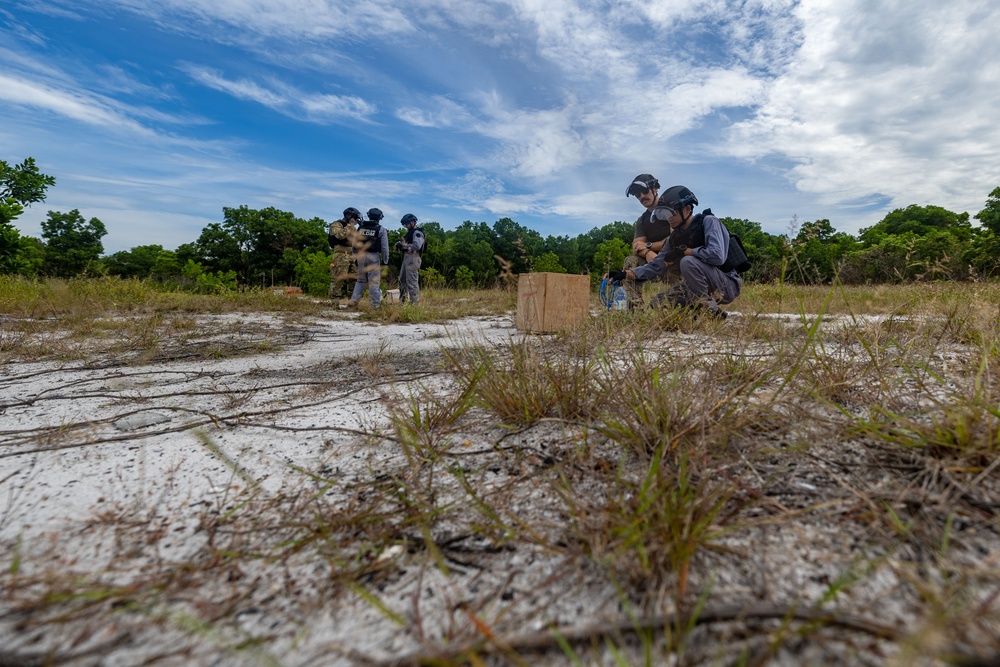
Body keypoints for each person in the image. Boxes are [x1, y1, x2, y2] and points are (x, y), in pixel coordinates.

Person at [609, 185, 741, 319]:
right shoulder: (674, 238)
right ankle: (708, 312)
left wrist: (688, 251)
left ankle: (706, 309)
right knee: (658, 302)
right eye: (665, 214)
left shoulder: (708, 222)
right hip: (695, 286)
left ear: (687, 209)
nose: (669, 218)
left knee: (687, 261)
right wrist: (625, 274)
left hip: (726, 285)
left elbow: (718, 256)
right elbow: (656, 265)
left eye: (672, 213)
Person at [622, 173, 672, 309]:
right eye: (638, 195)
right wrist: (647, 253)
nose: (642, 197)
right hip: (653, 263)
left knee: (675, 306)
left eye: (644, 191)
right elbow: (636, 247)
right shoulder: (642, 220)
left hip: (676, 261)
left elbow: (674, 240)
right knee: (631, 261)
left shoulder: (672, 208)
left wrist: (649, 246)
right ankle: (636, 309)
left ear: (655, 188)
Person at [348, 208, 389, 309]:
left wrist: (355, 258)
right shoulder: (381, 229)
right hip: (373, 256)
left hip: (361, 256)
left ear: (369, 216)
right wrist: (385, 261)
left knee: (360, 281)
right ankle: (375, 306)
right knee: (374, 282)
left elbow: (354, 245)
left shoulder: (361, 227)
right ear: (380, 218)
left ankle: (353, 304)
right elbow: (384, 248)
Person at [328, 207, 360, 300]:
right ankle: (334, 303)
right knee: (338, 279)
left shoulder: (353, 228)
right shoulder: (336, 224)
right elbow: (339, 236)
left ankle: (352, 302)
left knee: (354, 279)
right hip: (341, 254)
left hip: (352, 255)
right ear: (348, 215)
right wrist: (350, 226)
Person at [396, 213, 425, 304]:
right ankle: (403, 301)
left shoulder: (417, 233)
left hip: (413, 258)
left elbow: (417, 246)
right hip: (407, 258)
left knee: (412, 282)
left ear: (412, 222)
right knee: (402, 281)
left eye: (407, 224)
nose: (406, 226)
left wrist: (404, 246)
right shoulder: (409, 233)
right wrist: (400, 247)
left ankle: (414, 303)